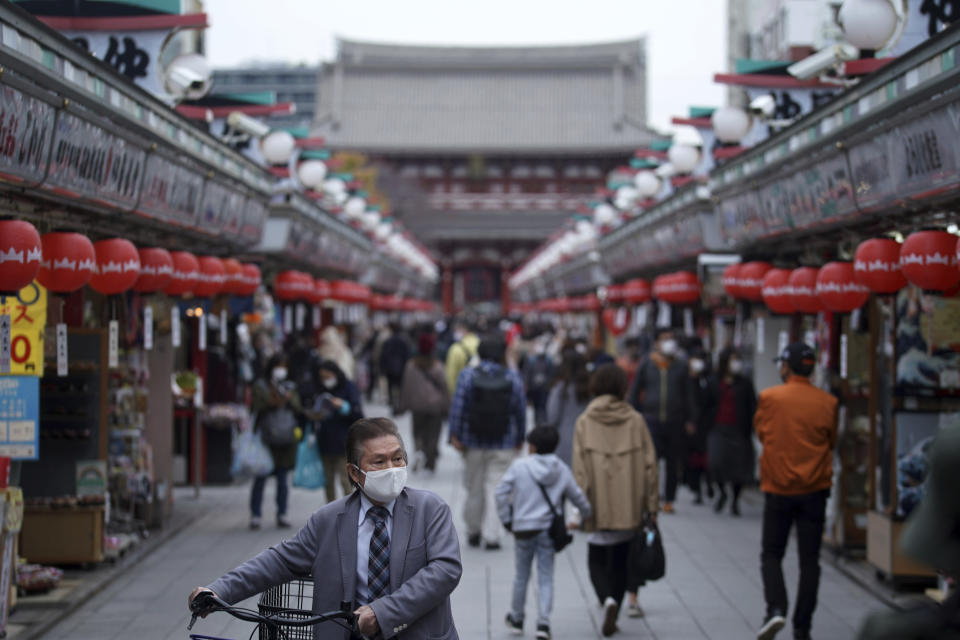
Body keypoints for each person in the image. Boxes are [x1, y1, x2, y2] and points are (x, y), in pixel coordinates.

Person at [189, 417, 462, 640]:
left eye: (398, 458)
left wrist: (382, 613)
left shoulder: (430, 509)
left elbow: (445, 570)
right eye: (379, 462)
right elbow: (278, 560)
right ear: (355, 473)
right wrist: (218, 591)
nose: (391, 469)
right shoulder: (328, 520)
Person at [754, 342, 838, 640]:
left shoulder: (770, 398)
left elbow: (762, 432)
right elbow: (831, 440)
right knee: (809, 560)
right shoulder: (828, 402)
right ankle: (803, 627)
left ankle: (775, 609)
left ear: (787, 367)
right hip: (815, 488)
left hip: (778, 487)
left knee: (772, 553)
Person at [573, 364, 659, 637]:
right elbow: (650, 467)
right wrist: (652, 505)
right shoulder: (635, 420)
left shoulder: (585, 421)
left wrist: (580, 506)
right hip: (629, 503)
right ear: (624, 387)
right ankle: (616, 600)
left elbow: (579, 469)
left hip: (597, 503)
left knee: (596, 556)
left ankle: (606, 598)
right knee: (622, 558)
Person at [495, 426, 592, 640]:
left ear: (533, 446)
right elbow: (578, 497)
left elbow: (500, 492)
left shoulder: (520, 466)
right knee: (546, 576)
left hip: (522, 529)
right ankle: (543, 624)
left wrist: (507, 520)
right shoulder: (561, 468)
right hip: (548, 530)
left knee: (521, 575)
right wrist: (585, 514)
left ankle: (517, 619)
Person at [448, 336, 526, 550]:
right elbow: (520, 409)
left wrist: (454, 434)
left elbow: (458, 407)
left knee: (474, 487)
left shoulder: (468, 375)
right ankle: (493, 535)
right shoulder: (512, 376)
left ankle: (474, 531)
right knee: (497, 488)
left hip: (472, 441)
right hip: (504, 442)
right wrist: (520, 437)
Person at [627, 327, 695, 514]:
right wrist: (631, 414)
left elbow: (689, 394)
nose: (669, 342)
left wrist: (691, 419)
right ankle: (652, 497)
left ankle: (669, 499)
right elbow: (635, 392)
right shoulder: (647, 364)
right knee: (651, 461)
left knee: (673, 462)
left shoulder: (681, 365)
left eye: (671, 338)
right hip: (651, 419)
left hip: (676, 420)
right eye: (665, 339)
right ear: (656, 343)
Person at [249, 353, 304, 530]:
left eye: (284, 366)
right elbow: (257, 405)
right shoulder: (261, 385)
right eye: (278, 366)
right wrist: (273, 400)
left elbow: (297, 406)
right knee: (260, 476)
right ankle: (255, 514)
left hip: (286, 436)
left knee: (282, 478)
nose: (282, 370)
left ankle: (282, 512)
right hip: (266, 437)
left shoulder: (290, 386)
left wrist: (287, 399)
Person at [708, 347, 757, 516]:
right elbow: (705, 405)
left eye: (738, 359)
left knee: (739, 467)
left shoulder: (745, 383)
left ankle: (735, 500)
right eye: (732, 359)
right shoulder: (714, 382)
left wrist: (753, 427)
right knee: (716, 462)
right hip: (718, 428)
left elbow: (752, 406)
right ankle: (721, 491)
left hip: (739, 429)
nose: (736, 363)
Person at [398, 332, 450, 473]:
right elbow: (444, 387)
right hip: (435, 406)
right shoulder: (437, 366)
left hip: (417, 406)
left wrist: (403, 405)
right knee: (433, 434)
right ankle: (430, 462)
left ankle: (419, 451)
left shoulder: (411, 366)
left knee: (418, 432)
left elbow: (406, 387)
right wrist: (447, 406)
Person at [315, 360, 364, 503]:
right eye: (322, 377)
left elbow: (358, 413)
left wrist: (343, 406)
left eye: (328, 376)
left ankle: (350, 511)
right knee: (328, 481)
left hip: (344, 441)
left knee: (346, 480)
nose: (326, 380)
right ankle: (330, 511)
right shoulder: (320, 389)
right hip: (325, 441)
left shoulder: (348, 387)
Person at [543, 349, 590, 466]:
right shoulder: (592, 389)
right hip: (589, 439)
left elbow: (552, 418)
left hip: (564, 441)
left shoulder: (561, 389)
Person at [685, 345, 715, 505]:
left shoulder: (709, 379)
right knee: (693, 460)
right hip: (690, 425)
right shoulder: (686, 379)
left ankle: (709, 485)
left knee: (707, 458)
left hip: (707, 424)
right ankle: (696, 489)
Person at [380, 323, 412, 414]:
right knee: (401, 388)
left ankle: (393, 405)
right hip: (402, 368)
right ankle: (400, 406)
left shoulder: (388, 341)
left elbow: (383, 356)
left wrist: (382, 369)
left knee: (391, 387)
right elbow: (407, 355)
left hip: (390, 368)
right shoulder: (404, 341)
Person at [522, 341, 555, 426]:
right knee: (537, 407)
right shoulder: (531, 360)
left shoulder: (548, 360)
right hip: (534, 388)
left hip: (544, 388)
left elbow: (551, 373)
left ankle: (543, 423)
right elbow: (527, 373)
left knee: (542, 406)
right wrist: (526, 386)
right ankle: (538, 424)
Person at [445, 321, 480, 394]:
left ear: (463, 330)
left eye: (456, 330)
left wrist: (453, 394)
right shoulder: (480, 343)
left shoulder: (455, 349)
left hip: (462, 391)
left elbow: (451, 375)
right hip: (479, 392)